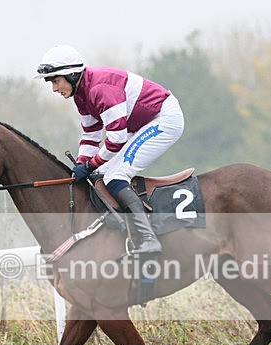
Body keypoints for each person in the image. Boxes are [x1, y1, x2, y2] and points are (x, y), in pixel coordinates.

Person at [34, 44, 185, 255]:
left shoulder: (99, 89)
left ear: (72, 74)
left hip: (163, 119)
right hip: (140, 124)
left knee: (115, 176)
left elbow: (116, 139)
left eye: (56, 81)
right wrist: (81, 163)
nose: (54, 89)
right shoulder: (80, 95)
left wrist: (90, 165)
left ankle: (149, 238)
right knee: (102, 174)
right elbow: (91, 134)